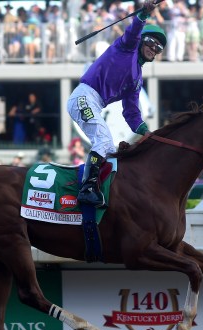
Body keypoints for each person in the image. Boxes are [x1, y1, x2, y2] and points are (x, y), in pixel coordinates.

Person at [67, 0, 164, 207]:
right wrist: (144, 14)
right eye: (150, 42)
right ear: (141, 41)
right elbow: (134, 31)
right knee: (103, 141)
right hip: (83, 96)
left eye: (158, 47)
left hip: (94, 102)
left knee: (108, 147)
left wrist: (146, 133)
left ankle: (97, 187)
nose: (153, 48)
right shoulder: (127, 47)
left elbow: (131, 112)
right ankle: (87, 189)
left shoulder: (137, 79)